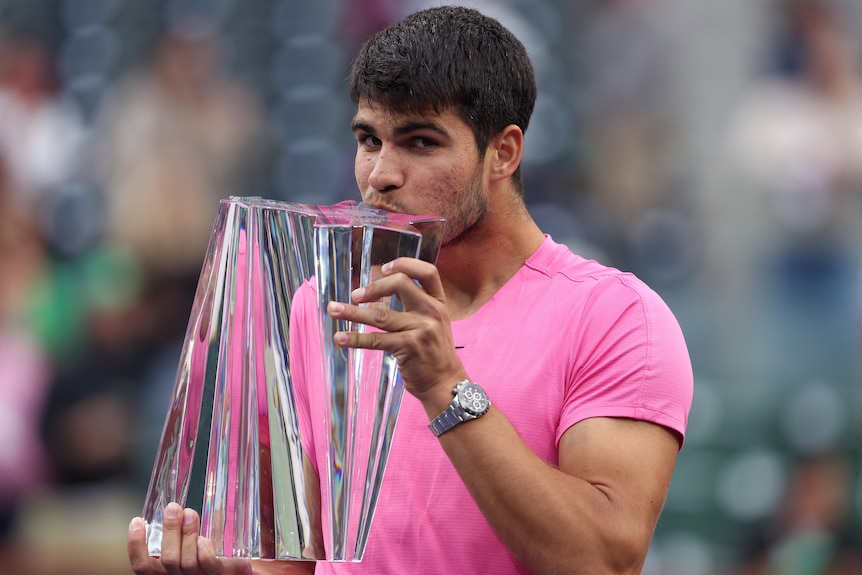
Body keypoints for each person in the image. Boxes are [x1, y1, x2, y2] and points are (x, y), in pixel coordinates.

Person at [126, 5, 693, 575]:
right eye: (369, 140)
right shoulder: (322, 306)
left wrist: (447, 388)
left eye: (420, 142)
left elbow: (603, 561)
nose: (380, 174)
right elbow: (295, 561)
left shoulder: (617, 318)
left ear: (504, 152)